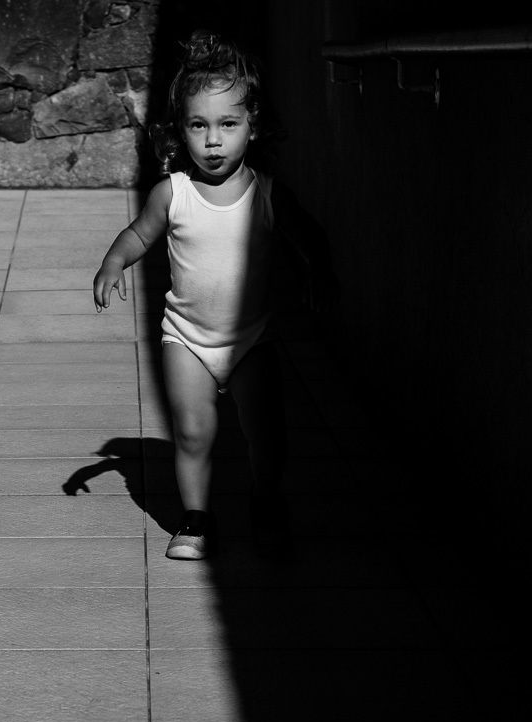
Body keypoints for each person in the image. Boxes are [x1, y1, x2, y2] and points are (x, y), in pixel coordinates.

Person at [92, 29, 337, 559]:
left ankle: (266, 501)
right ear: (179, 130)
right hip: (186, 338)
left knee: (267, 432)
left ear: (253, 127)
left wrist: (319, 268)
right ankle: (197, 519)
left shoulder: (267, 193)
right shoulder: (173, 193)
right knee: (193, 433)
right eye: (198, 125)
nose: (212, 140)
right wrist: (115, 260)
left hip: (252, 339)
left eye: (228, 124)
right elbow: (139, 234)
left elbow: (309, 236)